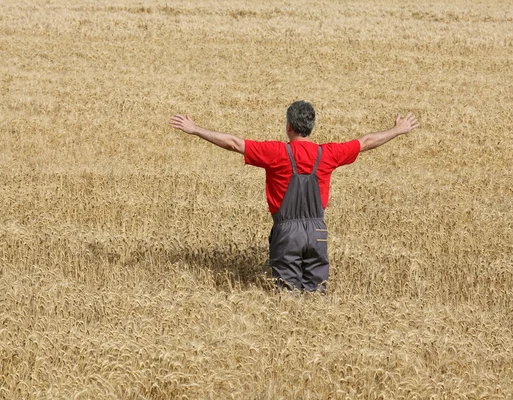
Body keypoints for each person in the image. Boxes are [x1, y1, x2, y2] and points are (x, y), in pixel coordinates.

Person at [170, 101, 419, 292]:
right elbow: (366, 142)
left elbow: (234, 143)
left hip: (286, 232)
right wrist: (397, 130)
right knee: (316, 293)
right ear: (311, 127)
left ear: (288, 126)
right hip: (318, 231)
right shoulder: (328, 154)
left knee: (287, 296)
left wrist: (195, 129)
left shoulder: (275, 152)